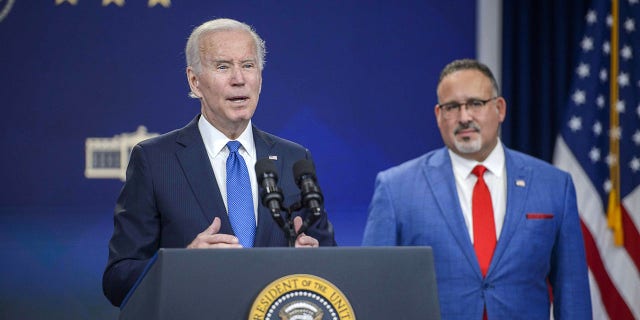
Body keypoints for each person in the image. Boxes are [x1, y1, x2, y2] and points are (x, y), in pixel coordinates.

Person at [103, 18, 336, 307]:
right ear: (194, 81)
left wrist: (315, 261)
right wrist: (183, 264)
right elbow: (117, 279)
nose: (239, 78)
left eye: (248, 65)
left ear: (260, 77)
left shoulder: (294, 159)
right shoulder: (155, 161)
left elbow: (332, 265)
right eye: (223, 66)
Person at [362, 59, 591, 319]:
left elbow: (572, 292)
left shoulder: (553, 185)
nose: (464, 117)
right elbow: (375, 290)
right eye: (452, 107)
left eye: (475, 104)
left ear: (500, 108)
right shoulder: (396, 188)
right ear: (438, 115)